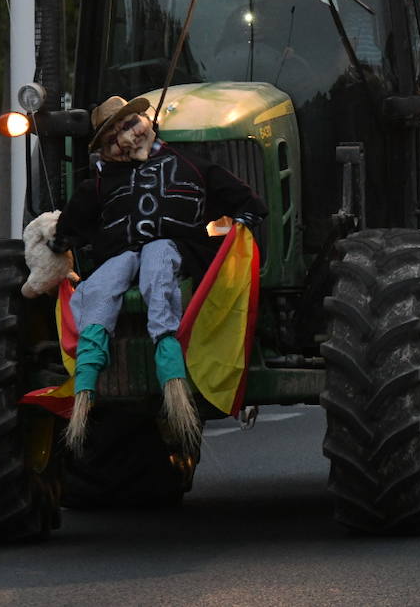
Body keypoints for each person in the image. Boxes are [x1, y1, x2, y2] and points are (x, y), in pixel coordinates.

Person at [50, 95, 267, 449]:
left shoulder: (192, 165)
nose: (127, 137)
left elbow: (246, 200)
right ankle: (85, 383)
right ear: (106, 150)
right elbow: (74, 221)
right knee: (103, 283)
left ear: (146, 121)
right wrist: (59, 240)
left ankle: (170, 365)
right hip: (120, 254)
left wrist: (246, 216)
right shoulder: (102, 184)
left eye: (129, 125)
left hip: (173, 250)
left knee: (158, 260)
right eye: (113, 137)